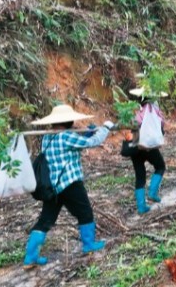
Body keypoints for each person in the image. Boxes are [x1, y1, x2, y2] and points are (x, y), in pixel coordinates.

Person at [24, 105, 114, 268]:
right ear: (68, 121)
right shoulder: (67, 136)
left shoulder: (47, 138)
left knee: (45, 220)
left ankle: (30, 257)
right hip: (71, 184)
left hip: (53, 187)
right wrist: (105, 128)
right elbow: (93, 142)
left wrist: (87, 132)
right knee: (85, 212)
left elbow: (77, 143)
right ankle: (89, 244)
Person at [128, 88, 167, 215]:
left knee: (140, 175)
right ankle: (152, 192)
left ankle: (141, 206)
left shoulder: (136, 112)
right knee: (160, 166)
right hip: (149, 146)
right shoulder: (155, 111)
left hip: (135, 146)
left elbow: (132, 126)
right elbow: (162, 125)